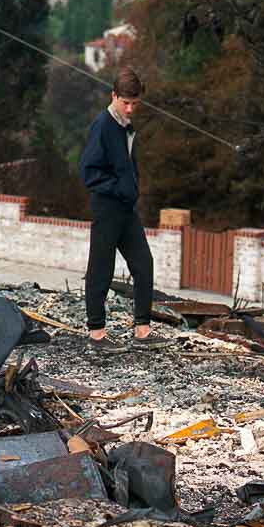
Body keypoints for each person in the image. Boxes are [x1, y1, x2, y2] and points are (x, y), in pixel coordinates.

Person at [79, 66, 162, 353]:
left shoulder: (126, 126)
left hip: (126, 208)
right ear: (113, 95)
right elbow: (88, 171)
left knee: (143, 263)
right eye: (125, 102)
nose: (129, 108)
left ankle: (142, 331)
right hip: (106, 206)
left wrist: (132, 187)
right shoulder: (103, 124)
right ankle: (97, 335)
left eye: (134, 104)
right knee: (101, 267)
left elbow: (126, 165)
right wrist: (118, 188)